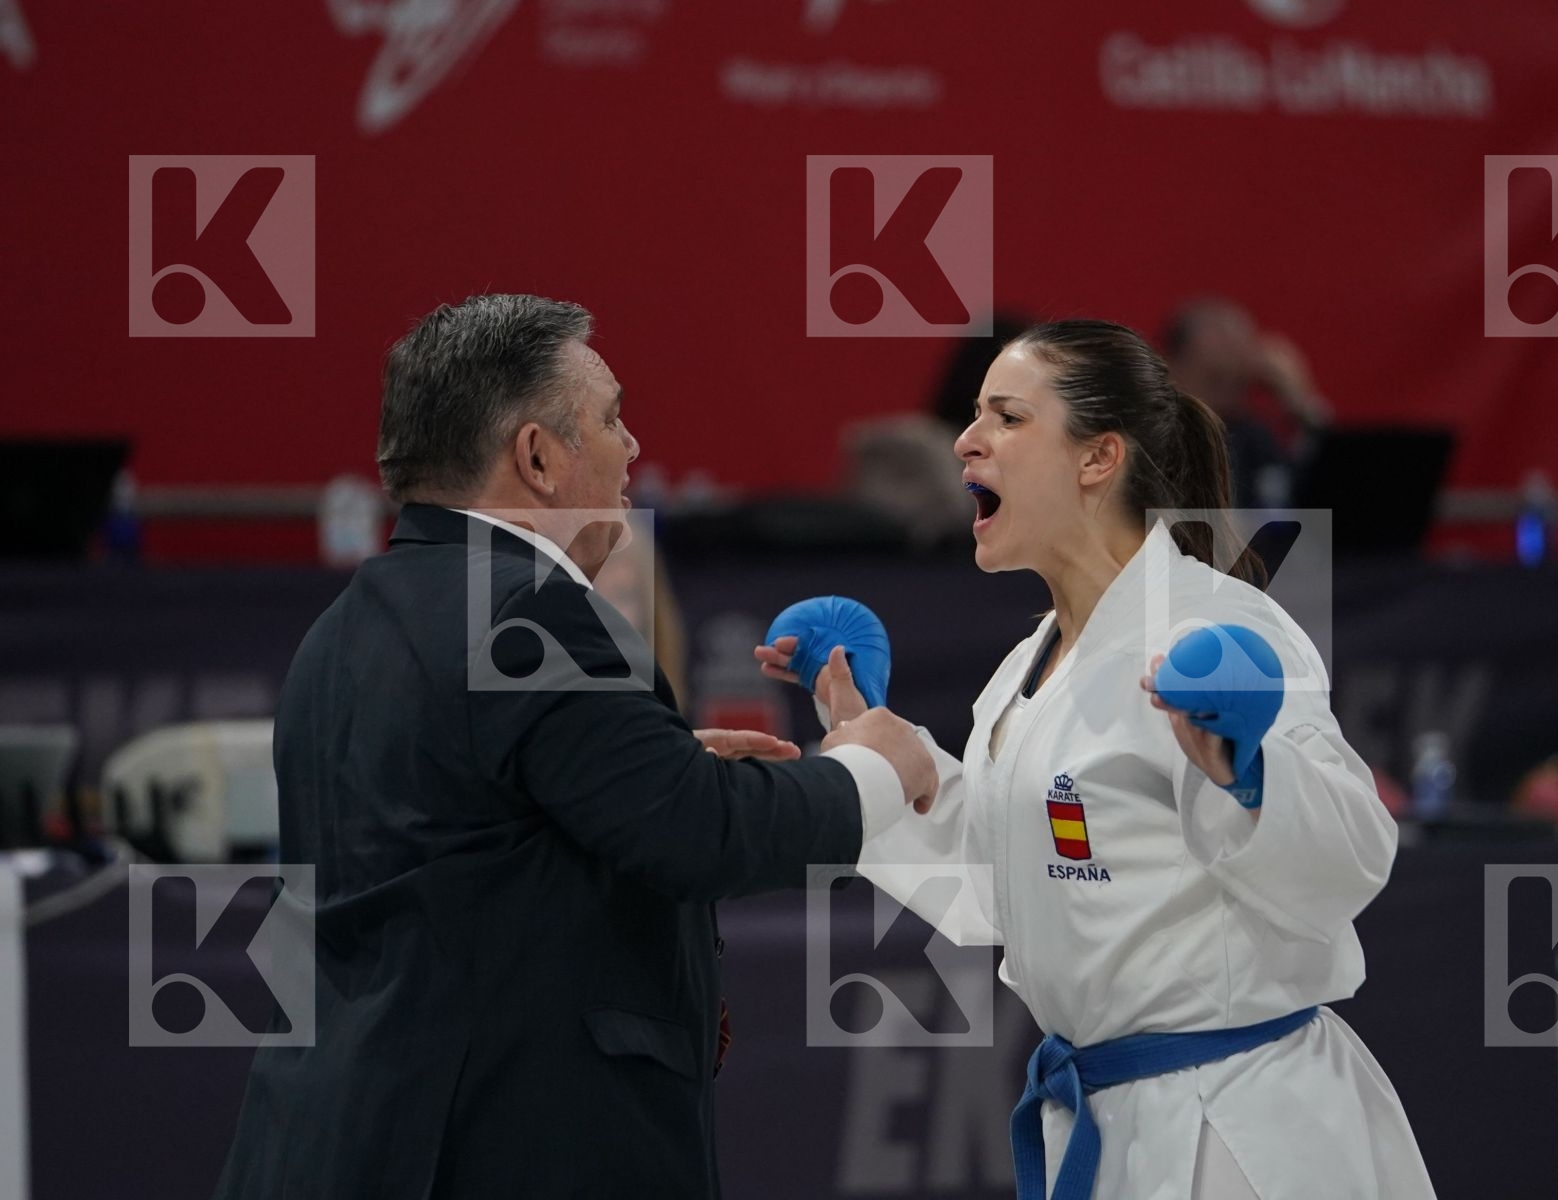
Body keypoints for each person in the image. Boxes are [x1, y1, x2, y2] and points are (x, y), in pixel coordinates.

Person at [211, 294, 937, 1200]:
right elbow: (700, 834)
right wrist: (873, 766)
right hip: (496, 1151)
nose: (633, 448)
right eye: (610, 418)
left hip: (340, 1143)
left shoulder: (344, 626)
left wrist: (656, 766)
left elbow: (473, 841)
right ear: (539, 457)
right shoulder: (527, 610)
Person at [759, 320, 1432, 1198]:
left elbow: (1353, 861)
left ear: (1096, 458)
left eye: (1006, 417)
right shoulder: (1028, 666)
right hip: (1115, 1122)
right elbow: (1028, 884)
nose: (966, 440)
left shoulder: (1213, 628)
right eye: (975, 416)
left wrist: (1252, 771)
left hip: (1241, 1128)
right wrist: (901, 762)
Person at [1163, 296, 1331, 508]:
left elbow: (1318, 499)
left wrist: (1301, 403)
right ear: (1173, 365)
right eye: (1215, 375)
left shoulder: (1253, 438)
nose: (1234, 364)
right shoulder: (1149, 438)